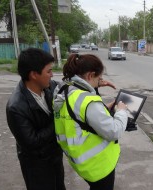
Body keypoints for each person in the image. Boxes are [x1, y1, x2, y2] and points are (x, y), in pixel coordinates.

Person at [53, 53, 128, 190]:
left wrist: (103, 107)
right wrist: (121, 111)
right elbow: (114, 131)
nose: (100, 80)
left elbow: (79, 115)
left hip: (79, 161)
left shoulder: (63, 88)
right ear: (89, 75)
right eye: (98, 77)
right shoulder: (88, 101)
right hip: (98, 166)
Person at [6, 48, 66, 190]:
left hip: (55, 157)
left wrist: (94, 85)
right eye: (48, 71)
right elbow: (32, 142)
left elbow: (69, 88)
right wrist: (58, 120)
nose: (52, 75)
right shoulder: (16, 107)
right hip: (36, 166)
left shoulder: (50, 87)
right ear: (33, 74)